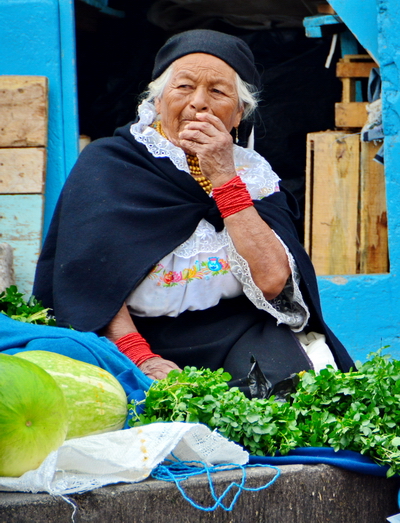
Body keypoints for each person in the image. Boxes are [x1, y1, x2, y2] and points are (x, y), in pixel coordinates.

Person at [33, 30, 353, 392]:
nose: (199, 102)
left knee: (286, 396)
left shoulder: (253, 176)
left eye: (217, 92)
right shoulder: (109, 165)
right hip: (134, 334)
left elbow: (271, 280)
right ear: (157, 100)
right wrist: (142, 356)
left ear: (239, 114)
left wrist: (223, 178)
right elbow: (89, 284)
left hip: (236, 329)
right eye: (184, 87)